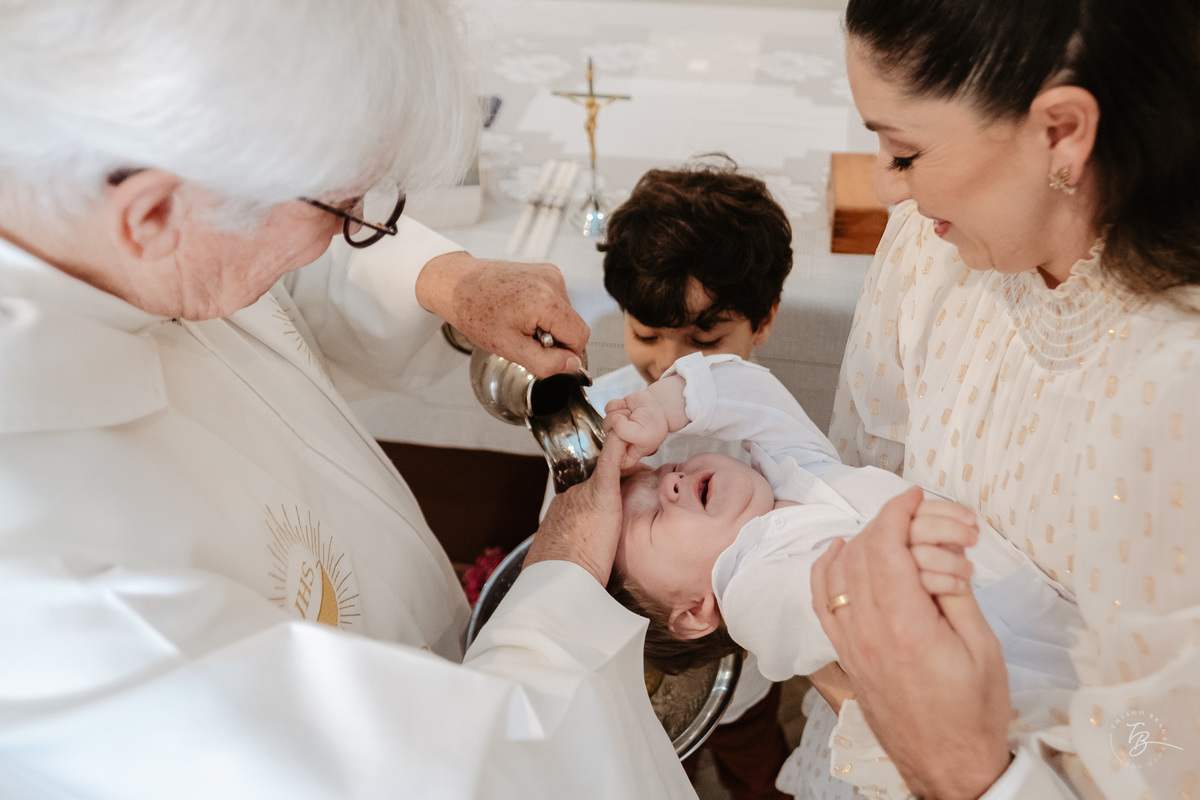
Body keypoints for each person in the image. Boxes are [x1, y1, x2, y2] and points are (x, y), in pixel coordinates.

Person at [0, 2, 696, 798]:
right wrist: (570, 560)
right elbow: (461, 773)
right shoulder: (46, 578)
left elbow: (255, 248)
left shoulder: (98, 205)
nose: (355, 229)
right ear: (152, 215)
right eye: (343, 208)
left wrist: (453, 282)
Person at [810, 0, 1200, 797]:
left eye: (906, 151)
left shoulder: (1178, 386)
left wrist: (963, 763)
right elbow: (856, 490)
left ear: (1062, 130)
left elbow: (1164, 750)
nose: (884, 186)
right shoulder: (933, 247)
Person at [603, 352, 1084, 798]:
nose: (671, 481)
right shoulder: (750, 593)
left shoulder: (790, 469)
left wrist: (661, 407)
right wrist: (890, 557)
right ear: (693, 613)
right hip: (1009, 701)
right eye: (652, 519)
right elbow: (823, 595)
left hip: (1057, 621)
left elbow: (748, 390)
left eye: (665, 468)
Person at [561, 157, 795, 800]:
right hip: (637, 661)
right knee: (660, 767)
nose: (670, 366)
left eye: (704, 341)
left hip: (745, 671)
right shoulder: (601, 413)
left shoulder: (767, 432)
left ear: (764, 320)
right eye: (646, 335)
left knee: (757, 763)